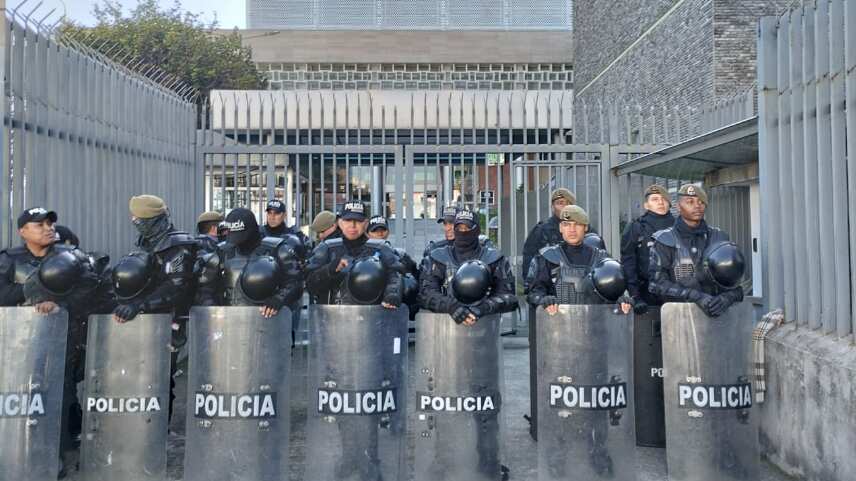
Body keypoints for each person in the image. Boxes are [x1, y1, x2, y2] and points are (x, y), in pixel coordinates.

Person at [0, 207, 113, 477]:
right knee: (14, 399)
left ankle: (55, 456)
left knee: (59, 398)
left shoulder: (71, 258)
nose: (48, 228)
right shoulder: (8, 260)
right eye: (39, 225)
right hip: (15, 342)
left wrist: (59, 303)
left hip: (62, 341)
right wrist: (35, 291)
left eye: (50, 223)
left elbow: (91, 294)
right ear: (23, 231)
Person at [524, 205, 632, 479]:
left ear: (586, 228)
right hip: (560, 339)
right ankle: (559, 453)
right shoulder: (547, 257)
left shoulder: (600, 257)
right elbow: (533, 290)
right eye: (566, 224)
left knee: (596, 399)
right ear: (560, 228)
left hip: (595, 338)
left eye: (577, 225)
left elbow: (617, 287)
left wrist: (623, 299)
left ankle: (598, 452)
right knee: (562, 401)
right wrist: (543, 299)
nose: (571, 229)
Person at [304, 201, 402, 480]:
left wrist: (393, 293)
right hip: (336, 333)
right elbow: (309, 282)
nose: (353, 226)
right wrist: (331, 270)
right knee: (343, 397)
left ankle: (370, 458)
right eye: (348, 220)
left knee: (369, 397)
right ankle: (349, 456)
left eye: (358, 221)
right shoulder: (326, 249)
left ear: (366, 222)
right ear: (339, 222)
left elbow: (397, 274)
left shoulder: (380, 249)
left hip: (372, 332)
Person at [418, 208, 518, 480]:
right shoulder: (437, 256)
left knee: (485, 406)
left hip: (483, 341)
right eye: (455, 227)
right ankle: (443, 460)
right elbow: (424, 293)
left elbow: (510, 296)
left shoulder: (492, 257)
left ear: (475, 229)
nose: (460, 232)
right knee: (444, 403)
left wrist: (485, 307)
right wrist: (451, 306)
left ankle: (489, 462)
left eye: (465, 227)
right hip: (445, 340)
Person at [111, 195, 199, 421]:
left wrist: (140, 305)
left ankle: (159, 429)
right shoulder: (147, 242)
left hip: (168, 320)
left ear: (151, 219)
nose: (133, 221)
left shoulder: (177, 245)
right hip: (144, 319)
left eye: (138, 217)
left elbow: (176, 287)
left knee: (160, 376)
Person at [648, 184, 744, 317]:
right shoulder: (665, 239)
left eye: (701, 202)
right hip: (679, 318)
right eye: (690, 202)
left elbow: (737, 287)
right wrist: (694, 296)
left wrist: (726, 298)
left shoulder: (719, 238)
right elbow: (656, 284)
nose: (697, 206)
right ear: (678, 207)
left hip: (720, 320)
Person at [195, 207, 304, 318]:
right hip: (228, 322)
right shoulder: (223, 252)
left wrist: (279, 299)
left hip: (269, 321)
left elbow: (295, 281)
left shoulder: (277, 249)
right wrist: (214, 310)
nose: (239, 242)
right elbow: (205, 288)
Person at [620, 184, 675, 314]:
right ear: (646, 205)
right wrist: (635, 296)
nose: (660, 202)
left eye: (664, 199)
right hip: (647, 295)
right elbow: (628, 263)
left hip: (677, 294)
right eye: (655, 199)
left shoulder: (680, 227)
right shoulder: (636, 228)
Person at [367, 215, 420, 319]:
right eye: (375, 230)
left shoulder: (400, 255)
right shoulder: (362, 257)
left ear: (388, 232)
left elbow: (416, 277)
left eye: (383, 229)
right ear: (368, 234)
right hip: (369, 310)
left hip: (396, 310)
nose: (380, 233)